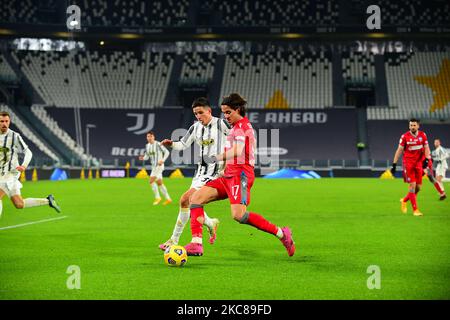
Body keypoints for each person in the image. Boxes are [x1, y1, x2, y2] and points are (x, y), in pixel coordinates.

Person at [183, 93, 295, 257]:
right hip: (227, 175)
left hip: (240, 175)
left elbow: (238, 150)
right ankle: (196, 244)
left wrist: (215, 158)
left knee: (239, 215)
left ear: (238, 109)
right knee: (195, 199)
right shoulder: (235, 128)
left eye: (228, 112)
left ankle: (282, 234)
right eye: (224, 113)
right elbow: (232, 152)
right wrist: (223, 167)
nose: (226, 116)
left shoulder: (243, 127)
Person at [158, 97, 230, 250]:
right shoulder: (195, 127)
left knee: (185, 199)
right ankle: (210, 223)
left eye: (201, 113)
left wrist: (228, 164)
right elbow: (183, 144)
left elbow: (237, 140)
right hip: (200, 174)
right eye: (196, 113)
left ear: (209, 111)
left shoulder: (222, 124)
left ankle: (174, 240)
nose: (198, 116)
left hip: (216, 174)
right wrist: (172, 144)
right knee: (187, 202)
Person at [0, 111, 60, 217]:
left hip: (10, 174)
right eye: (1, 121)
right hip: (1, 174)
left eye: (6, 121)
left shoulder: (14, 136)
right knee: (19, 204)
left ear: (9, 122)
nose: (4, 124)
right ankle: (48, 201)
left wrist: (24, 165)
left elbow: (28, 152)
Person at [390, 118, 431, 216]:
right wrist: (394, 164)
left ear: (418, 126)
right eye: (411, 125)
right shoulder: (405, 136)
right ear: (409, 126)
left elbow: (426, 148)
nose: (412, 127)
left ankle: (404, 200)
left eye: (414, 125)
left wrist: (426, 159)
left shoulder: (423, 135)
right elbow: (399, 150)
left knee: (418, 188)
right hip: (408, 164)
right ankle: (415, 210)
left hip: (418, 164)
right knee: (412, 186)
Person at [138, 131, 172, 205]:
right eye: (148, 136)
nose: (149, 138)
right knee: (159, 183)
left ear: (153, 137)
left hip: (159, 166)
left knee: (151, 181)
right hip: (154, 167)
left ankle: (157, 197)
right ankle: (168, 199)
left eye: (150, 136)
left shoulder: (158, 144)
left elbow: (167, 152)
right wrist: (143, 158)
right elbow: (147, 157)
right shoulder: (147, 146)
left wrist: (162, 160)